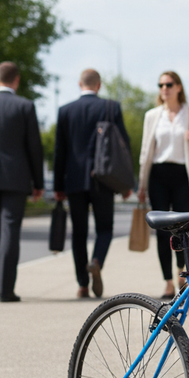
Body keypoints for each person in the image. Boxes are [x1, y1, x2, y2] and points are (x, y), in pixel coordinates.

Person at [54, 69, 131, 298]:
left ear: (80, 84)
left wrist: (58, 186)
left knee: (79, 233)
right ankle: (96, 260)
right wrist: (126, 183)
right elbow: (122, 146)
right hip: (103, 179)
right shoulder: (111, 107)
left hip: (75, 180)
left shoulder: (65, 111)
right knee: (104, 228)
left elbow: (60, 151)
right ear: (99, 85)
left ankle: (82, 285)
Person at [138, 71, 189, 299]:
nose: (164, 88)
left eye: (168, 84)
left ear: (178, 87)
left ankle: (182, 274)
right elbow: (144, 152)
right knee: (160, 231)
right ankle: (167, 282)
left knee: (181, 228)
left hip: (182, 175)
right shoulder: (152, 115)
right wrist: (141, 184)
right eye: (160, 85)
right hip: (158, 174)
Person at [0, 62, 44, 302]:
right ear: (17, 80)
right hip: (16, 176)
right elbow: (34, 147)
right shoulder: (25, 105)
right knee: (10, 230)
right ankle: (6, 288)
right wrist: (38, 182)